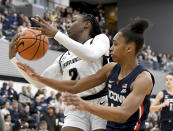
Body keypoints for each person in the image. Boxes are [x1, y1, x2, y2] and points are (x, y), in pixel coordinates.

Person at [16, 18, 155, 131]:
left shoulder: (143, 79)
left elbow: (123, 114)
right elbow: (76, 85)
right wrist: (40, 78)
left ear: (129, 48)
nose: (111, 48)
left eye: (116, 44)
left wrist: (85, 105)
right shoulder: (111, 69)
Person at [9, 14, 110, 131]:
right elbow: (39, 82)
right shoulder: (62, 58)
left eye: (73, 21)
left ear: (87, 24)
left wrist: (56, 34)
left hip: (101, 102)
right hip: (75, 106)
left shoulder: (99, 39)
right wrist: (13, 59)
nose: (67, 25)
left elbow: (90, 55)